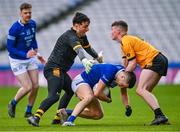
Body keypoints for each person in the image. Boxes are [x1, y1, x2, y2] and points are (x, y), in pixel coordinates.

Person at [27, 12, 103, 127]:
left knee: (71, 90)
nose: (87, 29)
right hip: (53, 69)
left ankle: (58, 118)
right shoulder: (70, 36)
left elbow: (88, 48)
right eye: (85, 26)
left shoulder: (81, 36)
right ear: (76, 26)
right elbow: (79, 50)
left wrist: (97, 57)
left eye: (88, 26)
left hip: (61, 70)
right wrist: (84, 60)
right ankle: (35, 117)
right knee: (54, 96)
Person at [111, 20, 169, 125]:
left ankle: (160, 116)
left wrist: (121, 77)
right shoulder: (125, 42)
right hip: (159, 59)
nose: (111, 32)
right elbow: (125, 63)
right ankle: (161, 117)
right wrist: (121, 76)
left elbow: (132, 64)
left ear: (119, 32)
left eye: (113, 30)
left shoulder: (126, 41)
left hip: (153, 61)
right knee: (146, 90)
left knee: (140, 89)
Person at [62, 63, 136, 126]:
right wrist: (107, 100)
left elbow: (124, 93)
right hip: (81, 81)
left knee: (98, 114)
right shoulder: (110, 72)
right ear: (122, 77)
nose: (121, 87)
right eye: (122, 85)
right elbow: (97, 93)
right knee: (89, 97)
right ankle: (69, 121)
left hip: (90, 87)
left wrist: (127, 106)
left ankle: (66, 112)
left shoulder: (122, 75)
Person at [7, 3, 45, 118]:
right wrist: (25, 54)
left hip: (30, 58)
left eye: (29, 12)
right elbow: (10, 47)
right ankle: (12, 103)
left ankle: (28, 111)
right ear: (21, 13)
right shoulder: (14, 28)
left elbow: (33, 38)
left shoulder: (32, 24)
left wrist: (36, 52)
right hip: (17, 60)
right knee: (27, 87)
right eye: (25, 13)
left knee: (36, 86)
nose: (28, 15)